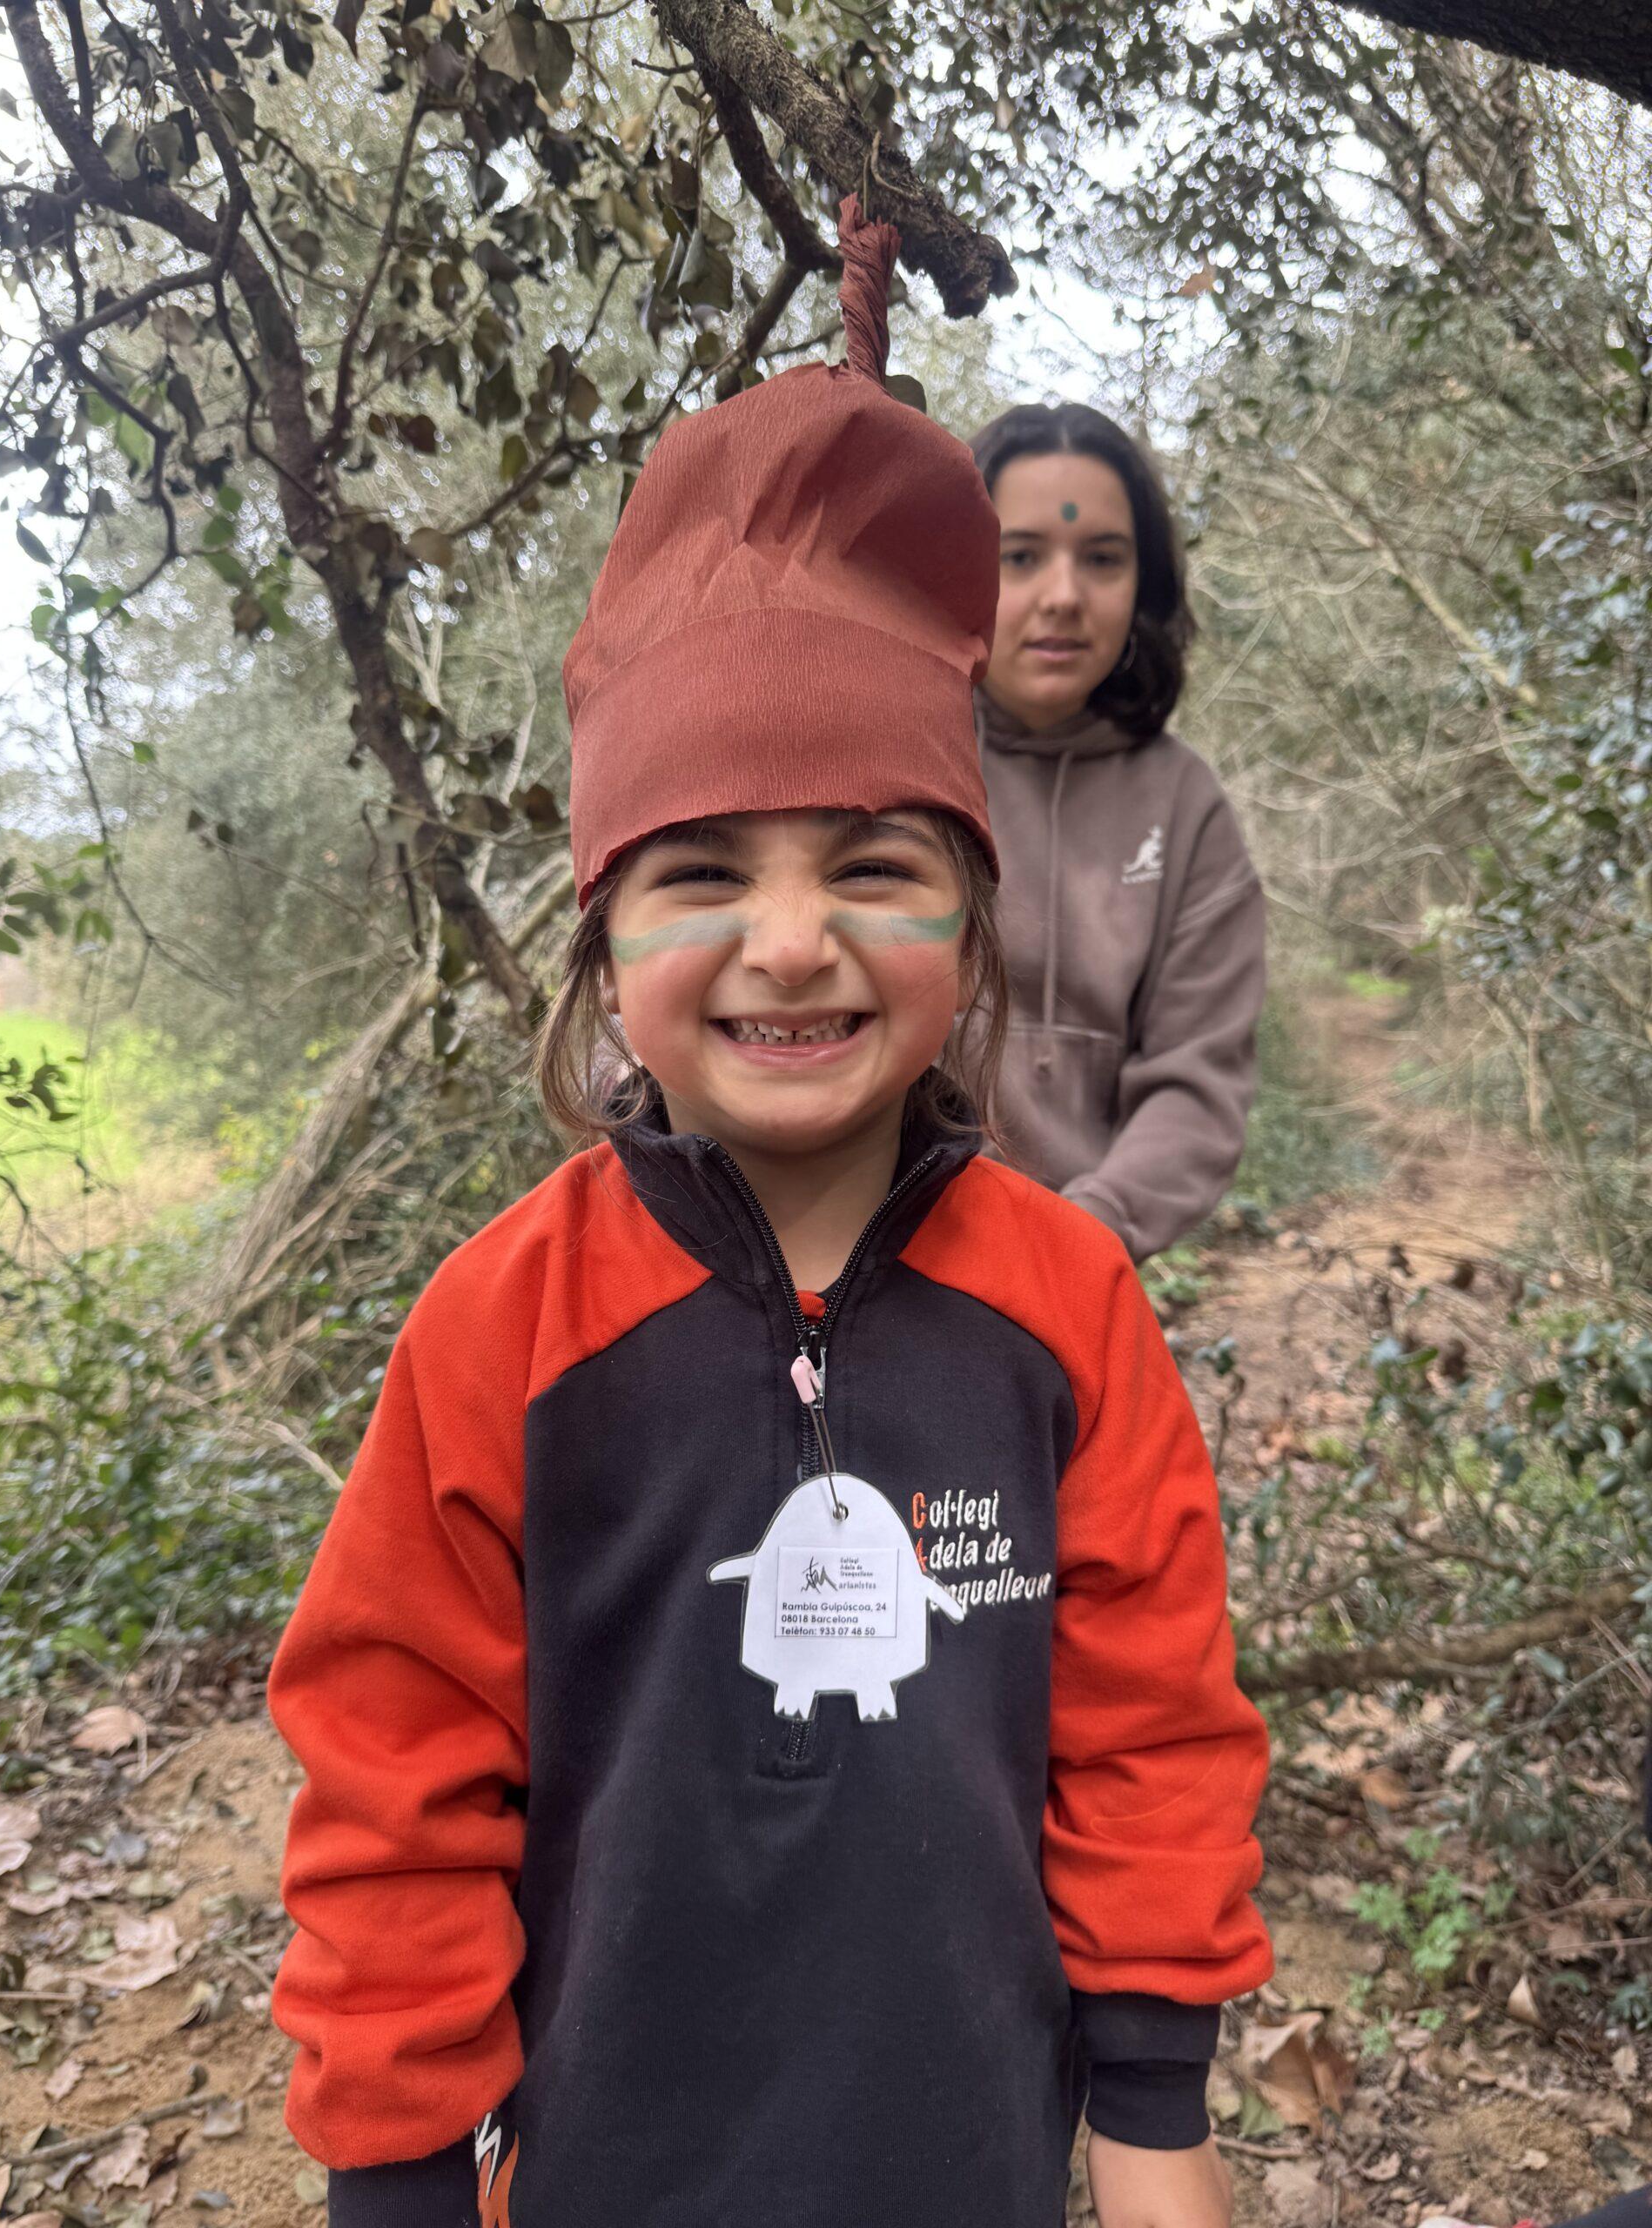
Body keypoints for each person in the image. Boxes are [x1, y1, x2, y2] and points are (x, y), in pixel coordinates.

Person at [266, 203, 1272, 2228]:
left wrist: (1157, 2121)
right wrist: (400, 2168)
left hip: (972, 2156)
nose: (793, 941)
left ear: (970, 923)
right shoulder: (503, 1323)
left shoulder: (1067, 1303)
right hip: (608, 2164)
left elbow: (1149, 1735)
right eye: (704, 870)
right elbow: (393, 1782)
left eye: (876, 863)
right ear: (602, 943)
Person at [970, 402, 1265, 1264]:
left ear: (1145, 584)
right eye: (1020, 555)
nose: (1063, 595)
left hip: (1085, 1277)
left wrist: (1081, 1243)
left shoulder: (1185, 808)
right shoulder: (887, 765)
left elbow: (1196, 1081)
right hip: (869, 1273)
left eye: (1102, 558)